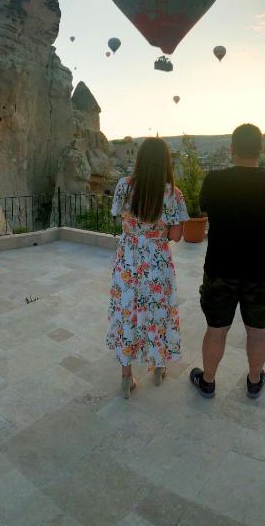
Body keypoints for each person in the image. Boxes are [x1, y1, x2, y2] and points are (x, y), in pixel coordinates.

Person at [190, 123, 265, 399]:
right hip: (261, 271)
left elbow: (205, 208)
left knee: (216, 330)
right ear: (261, 149)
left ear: (231, 150)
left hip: (221, 268)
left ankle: (208, 381)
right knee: (258, 331)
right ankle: (254, 380)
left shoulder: (215, 180)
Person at [107, 137, 189, 398]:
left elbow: (118, 215)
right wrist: (157, 232)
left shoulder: (124, 186)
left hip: (128, 261)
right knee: (158, 314)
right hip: (157, 262)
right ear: (166, 161)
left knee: (127, 314)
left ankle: (126, 378)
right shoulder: (173, 194)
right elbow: (176, 235)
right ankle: (158, 367)